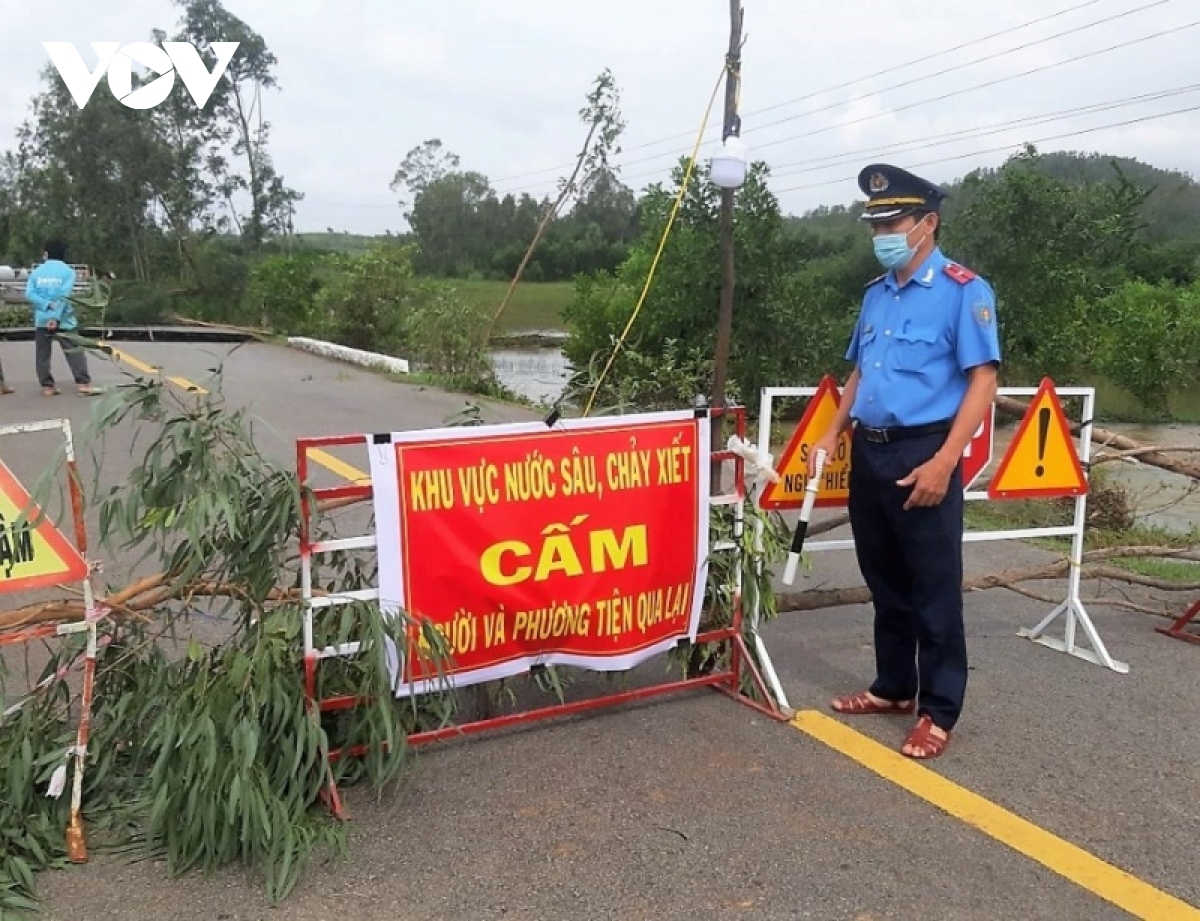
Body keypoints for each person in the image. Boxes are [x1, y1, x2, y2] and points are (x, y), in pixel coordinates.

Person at [808, 163, 1001, 760]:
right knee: (884, 580)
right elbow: (860, 372)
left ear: (928, 224)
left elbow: (983, 381)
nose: (882, 233)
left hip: (926, 451)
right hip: (872, 450)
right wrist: (830, 433)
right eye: (875, 224)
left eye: (892, 222)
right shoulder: (876, 294)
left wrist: (948, 460)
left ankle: (938, 710)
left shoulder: (964, 291)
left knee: (934, 588)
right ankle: (893, 687)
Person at [25, 238, 101, 396]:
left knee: (42, 354)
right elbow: (64, 296)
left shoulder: (37, 272)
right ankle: (83, 384)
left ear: (46, 254)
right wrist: (55, 316)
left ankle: (47, 387)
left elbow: (29, 294)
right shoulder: (68, 272)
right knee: (74, 351)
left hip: (42, 319)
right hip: (65, 319)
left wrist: (46, 305)